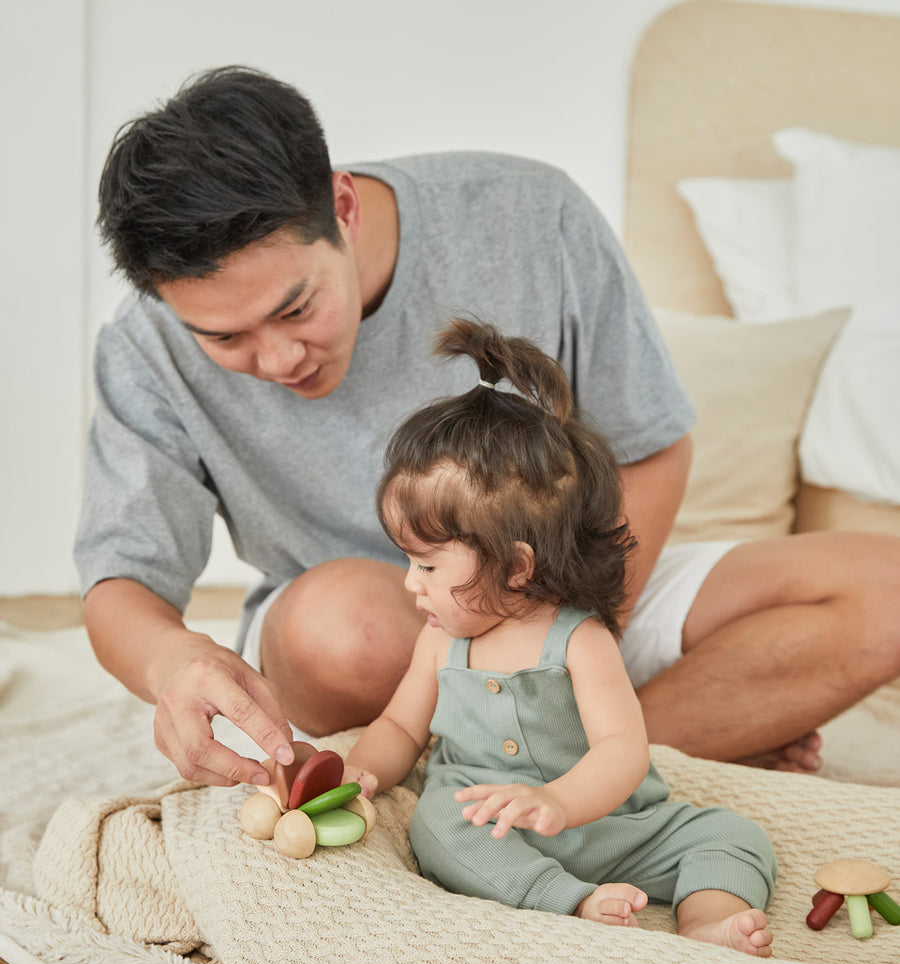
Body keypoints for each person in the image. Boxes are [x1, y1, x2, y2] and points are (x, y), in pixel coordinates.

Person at [77, 65, 900, 790]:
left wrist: (576, 646)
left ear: (342, 205)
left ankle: (598, 756)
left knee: (886, 586)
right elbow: (124, 579)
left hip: (570, 591)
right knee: (342, 624)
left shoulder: (532, 217)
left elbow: (650, 449)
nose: (278, 356)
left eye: (296, 306)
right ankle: (653, 748)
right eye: (223, 337)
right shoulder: (144, 347)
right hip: (370, 636)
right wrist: (170, 661)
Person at [343, 318, 776, 956]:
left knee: (735, 836)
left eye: (429, 566)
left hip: (612, 822)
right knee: (438, 825)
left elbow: (623, 751)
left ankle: (707, 920)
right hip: (494, 826)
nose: (411, 585)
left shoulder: (579, 640)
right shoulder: (440, 641)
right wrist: (358, 772)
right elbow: (402, 730)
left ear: (517, 566)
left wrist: (557, 802)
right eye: (410, 562)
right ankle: (567, 899)